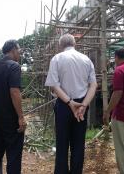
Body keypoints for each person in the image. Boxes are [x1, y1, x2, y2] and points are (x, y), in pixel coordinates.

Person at [45, 34, 97, 174]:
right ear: (75, 44)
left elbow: (54, 86)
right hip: (81, 107)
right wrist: (84, 105)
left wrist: (69, 102)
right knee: (78, 144)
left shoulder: (57, 59)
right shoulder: (86, 60)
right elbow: (93, 85)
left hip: (64, 105)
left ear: (61, 45)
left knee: (62, 143)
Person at [0, 40, 27, 174]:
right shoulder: (14, 66)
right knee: (14, 153)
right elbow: (14, 91)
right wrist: (21, 117)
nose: (20, 54)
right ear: (13, 50)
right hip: (10, 116)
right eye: (19, 50)